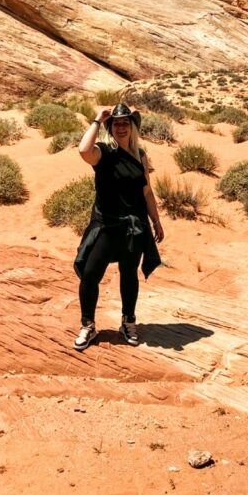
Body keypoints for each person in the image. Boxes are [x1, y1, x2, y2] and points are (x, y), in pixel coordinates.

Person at [73, 102, 164, 351]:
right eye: (117, 123)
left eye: (126, 122)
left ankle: (128, 321)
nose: (121, 127)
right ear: (110, 127)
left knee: (128, 274)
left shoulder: (140, 155)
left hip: (133, 227)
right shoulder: (103, 153)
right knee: (91, 274)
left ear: (133, 126)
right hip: (106, 225)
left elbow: (146, 191)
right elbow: (83, 150)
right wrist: (97, 119)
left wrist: (155, 220)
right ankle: (88, 325)